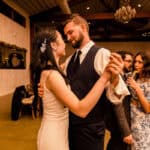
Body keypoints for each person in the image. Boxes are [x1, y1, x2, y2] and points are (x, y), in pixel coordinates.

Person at [31, 29, 123, 150]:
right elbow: (81, 110)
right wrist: (105, 77)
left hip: (59, 132)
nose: (66, 41)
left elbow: (77, 60)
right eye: (62, 39)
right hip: (54, 136)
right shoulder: (52, 75)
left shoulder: (53, 69)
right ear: (53, 45)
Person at [105, 50, 134, 150]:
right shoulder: (117, 77)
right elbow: (118, 106)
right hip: (118, 124)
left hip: (119, 125)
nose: (132, 64)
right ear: (120, 61)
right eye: (129, 61)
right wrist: (126, 131)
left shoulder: (125, 77)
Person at [126, 51, 150, 150]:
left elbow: (148, 109)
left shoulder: (149, 81)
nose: (136, 64)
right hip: (130, 117)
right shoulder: (133, 75)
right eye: (135, 61)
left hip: (142, 122)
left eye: (140, 62)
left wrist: (137, 89)